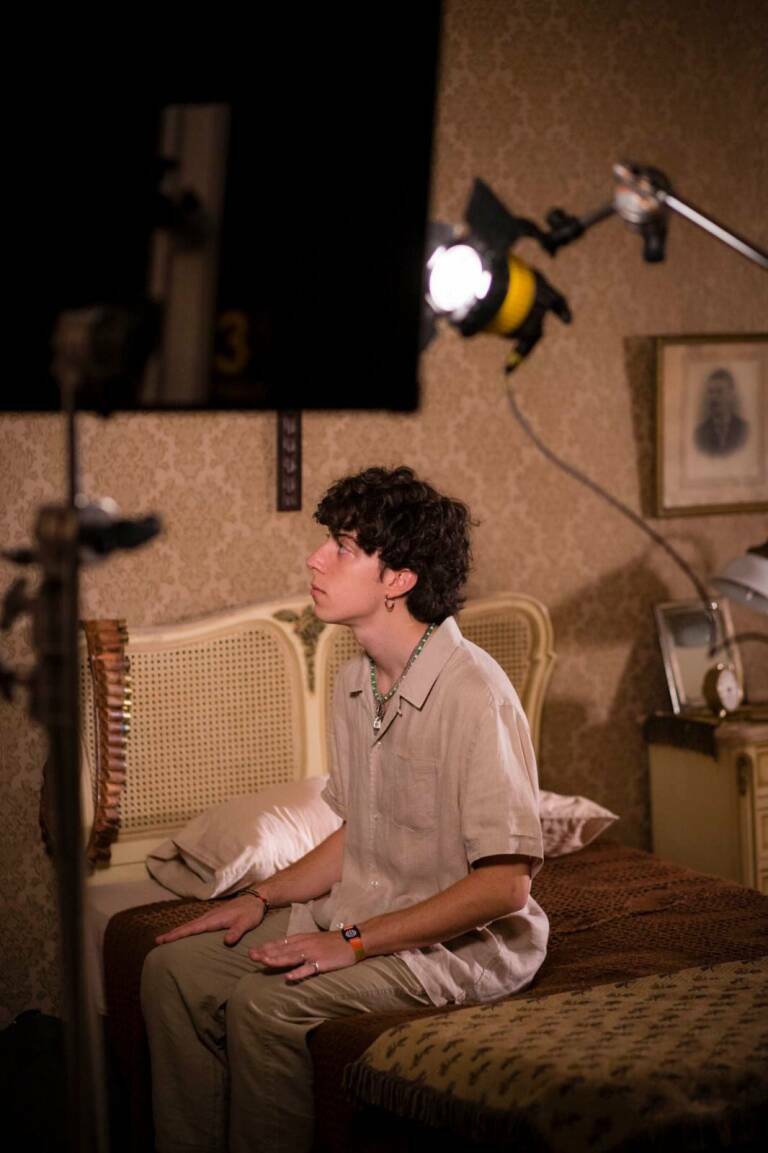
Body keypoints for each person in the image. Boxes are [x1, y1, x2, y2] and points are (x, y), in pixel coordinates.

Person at [141, 466, 548, 1153]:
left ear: (399, 578)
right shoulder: (354, 682)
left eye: (344, 547)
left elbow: (505, 885)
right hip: (365, 910)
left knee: (266, 1006)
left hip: (451, 950)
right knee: (172, 973)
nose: (315, 558)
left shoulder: (475, 693)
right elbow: (361, 833)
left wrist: (352, 941)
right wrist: (259, 895)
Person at [694, 367, 749, 457]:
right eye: (711, 392)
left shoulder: (744, 430)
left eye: (719, 392)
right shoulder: (699, 434)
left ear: (731, 395)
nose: (714, 398)